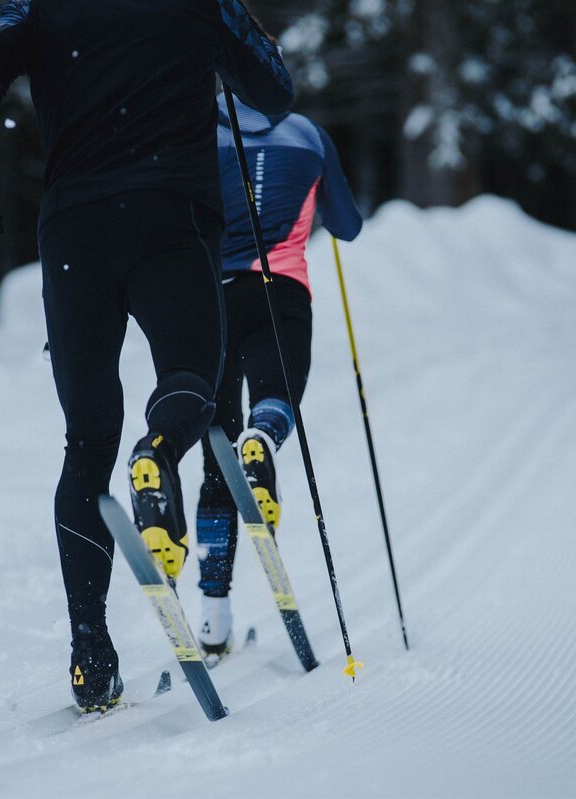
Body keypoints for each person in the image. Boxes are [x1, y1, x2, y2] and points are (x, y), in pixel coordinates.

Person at [0, 0, 293, 712]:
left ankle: (89, 653)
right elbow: (274, 91)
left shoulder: (37, 9)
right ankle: (159, 454)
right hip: (170, 215)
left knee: (86, 438)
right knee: (193, 372)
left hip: (73, 232)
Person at [195, 93, 362, 658]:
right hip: (281, 289)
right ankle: (263, 440)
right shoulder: (308, 135)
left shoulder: (196, 127)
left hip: (213, 296)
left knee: (215, 447)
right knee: (276, 396)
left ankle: (213, 616)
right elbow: (347, 225)